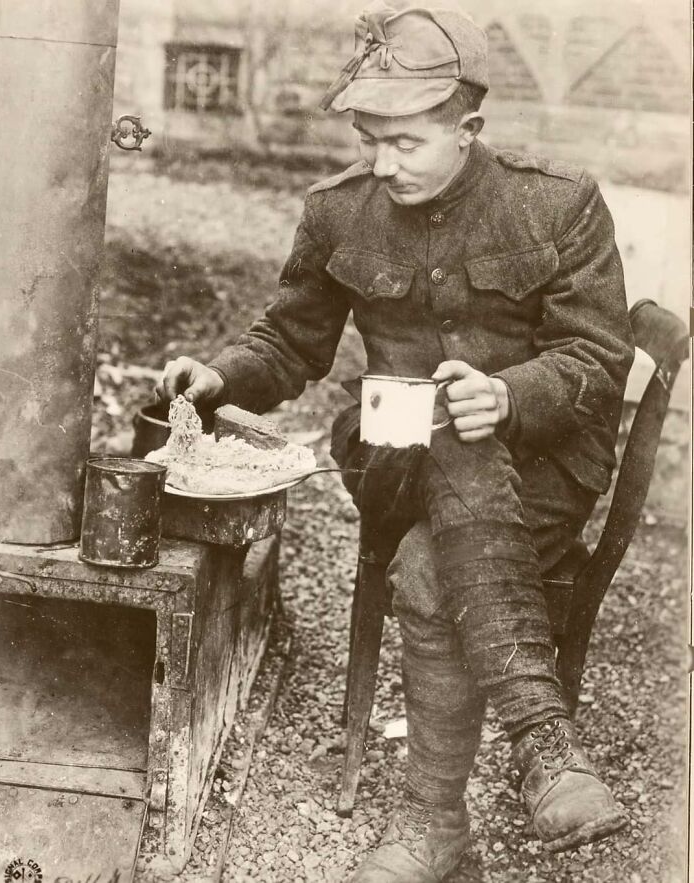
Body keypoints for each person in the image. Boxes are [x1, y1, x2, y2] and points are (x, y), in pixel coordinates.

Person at [156, 4, 635, 880]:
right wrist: (222, 377)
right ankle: (542, 738)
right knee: (433, 422)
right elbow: (290, 342)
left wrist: (508, 392)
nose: (382, 162)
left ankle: (433, 828)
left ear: (469, 128)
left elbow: (599, 362)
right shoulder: (340, 211)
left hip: (543, 470)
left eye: (406, 142)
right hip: (393, 461)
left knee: (423, 563)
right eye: (370, 138)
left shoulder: (557, 202)